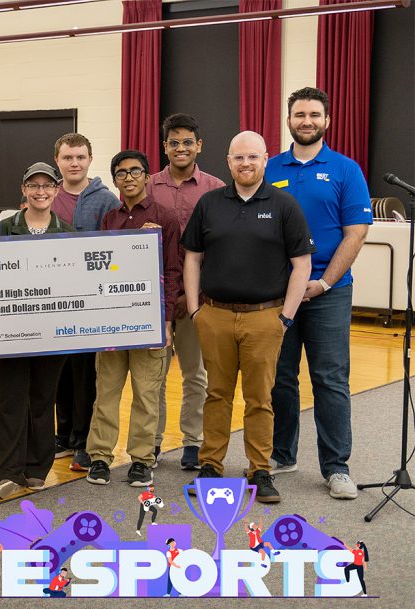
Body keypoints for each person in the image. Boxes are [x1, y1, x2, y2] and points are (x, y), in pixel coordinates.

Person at [182, 131, 315, 504]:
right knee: (217, 394)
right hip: (216, 316)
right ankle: (211, 466)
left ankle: (260, 469)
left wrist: (286, 317)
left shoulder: (285, 205)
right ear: (228, 162)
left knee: (260, 399)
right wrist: (195, 310)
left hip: (265, 318)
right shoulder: (209, 204)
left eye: (253, 157)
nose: (246, 164)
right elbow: (192, 257)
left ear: (265, 160)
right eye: (239, 157)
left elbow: (301, 264)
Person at [267, 87, 372, 500]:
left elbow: (357, 232)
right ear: (289, 120)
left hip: (330, 292)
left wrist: (325, 281)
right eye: (299, 114)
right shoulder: (271, 166)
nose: (306, 121)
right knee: (280, 378)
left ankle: (336, 467)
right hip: (279, 293)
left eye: (314, 114)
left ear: (327, 121)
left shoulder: (347, 170)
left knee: (330, 379)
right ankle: (282, 454)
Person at [85, 150, 180, 489]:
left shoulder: (165, 218)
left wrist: (166, 322)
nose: (128, 177)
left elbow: (172, 271)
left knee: (146, 393)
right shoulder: (109, 219)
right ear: (115, 180)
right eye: (121, 173)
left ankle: (141, 460)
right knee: (106, 392)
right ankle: (100, 457)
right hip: (113, 321)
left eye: (134, 171)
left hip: (149, 322)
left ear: (146, 175)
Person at [149, 113, 226, 470]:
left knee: (196, 374)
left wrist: (190, 296)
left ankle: (193, 442)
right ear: (165, 147)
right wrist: (165, 296)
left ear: (199, 146)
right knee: (156, 375)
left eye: (187, 142)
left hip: (198, 300)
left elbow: (220, 246)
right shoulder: (147, 186)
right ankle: (152, 440)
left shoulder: (215, 188)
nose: (180, 148)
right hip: (156, 302)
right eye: (173, 142)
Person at [0, 162, 71, 499]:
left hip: (51, 333)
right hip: (10, 331)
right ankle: (5, 472)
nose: (40, 191)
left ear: (56, 190)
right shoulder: (4, 228)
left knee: (42, 398)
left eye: (47, 186)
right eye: (33, 185)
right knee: (11, 398)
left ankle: (37, 468)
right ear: (23, 189)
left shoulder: (69, 233)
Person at [50, 133, 120, 471]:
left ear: (90, 159)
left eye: (80, 157)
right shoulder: (48, 196)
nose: (74, 163)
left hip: (91, 303)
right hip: (54, 301)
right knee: (60, 372)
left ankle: (83, 439)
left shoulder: (106, 200)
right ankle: (62, 435)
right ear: (58, 161)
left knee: (85, 374)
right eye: (67, 158)